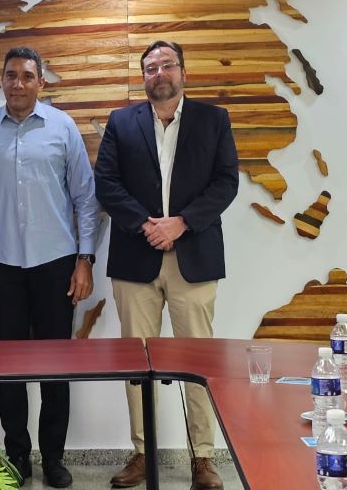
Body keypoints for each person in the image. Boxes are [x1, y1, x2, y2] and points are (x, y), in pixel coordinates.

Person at [94, 40, 239, 489]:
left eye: (167, 65)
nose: (160, 73)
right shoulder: (121, 122)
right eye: (151, 67)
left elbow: (226, 182)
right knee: (136, 365)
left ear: (183, 71)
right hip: (135, 260)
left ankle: (203, 458)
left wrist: (181, 223)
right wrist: (146, 225)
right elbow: (106, 183)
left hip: (193, 257)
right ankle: (143, 453)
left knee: (197, 361)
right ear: (144, 77)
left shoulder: (213, 119)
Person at [0, 46, 100, 488]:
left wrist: (85, 260)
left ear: (41, 82)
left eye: (26, 75)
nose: (17, 83)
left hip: (56, 265)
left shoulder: (62, 128)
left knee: (56, 367)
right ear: (0, 81)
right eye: (10, 75)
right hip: (1, 265)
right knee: (9, 368)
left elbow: (86, 199)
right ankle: (16, 457)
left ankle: (54, 458)